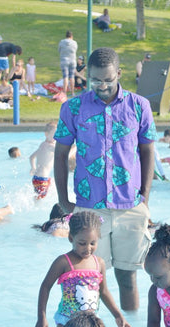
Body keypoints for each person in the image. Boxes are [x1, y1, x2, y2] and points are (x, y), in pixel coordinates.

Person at [53, 47, 156, 311]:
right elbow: (61, 153)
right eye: (96, 80)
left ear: (119, 74)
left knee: (127, 278)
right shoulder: (73, 108)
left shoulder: (139, 106)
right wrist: (63, 198)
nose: (102, 85)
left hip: (130, 205)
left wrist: (145, 197)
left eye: (108, 80)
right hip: (89, 206)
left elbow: (147, 151)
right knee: (88, 280)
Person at [35, 211, 133, 327]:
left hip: (91, 323)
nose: (88, 248)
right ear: (70, 238)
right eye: (82, 243)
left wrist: (118, 316)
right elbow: (45, 287)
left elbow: (104, 292)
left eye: (93, 243)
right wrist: (41, 316)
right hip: (67, 322)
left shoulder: (98, 263)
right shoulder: (63, 262)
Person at [29, 122, 57, 199]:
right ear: (46, 134)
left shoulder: (43, 145)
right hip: (42, 180)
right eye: (54, 134)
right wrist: (75, 148)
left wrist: (33, 168)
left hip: (38, 178)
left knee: (39, 197)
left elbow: (31, 157)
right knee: (40, 199)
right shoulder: (49, 146)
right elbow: (63, 154)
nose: (57, 136)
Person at [58, 31, 77, 97]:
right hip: (72, 61)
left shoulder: (61, 42)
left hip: (64, 60)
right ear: (71, 36)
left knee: (65, 77)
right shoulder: (74, 43)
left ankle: (65, 92)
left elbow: (59, 50)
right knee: (72, 77)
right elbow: (75, 50)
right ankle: (72, 92)